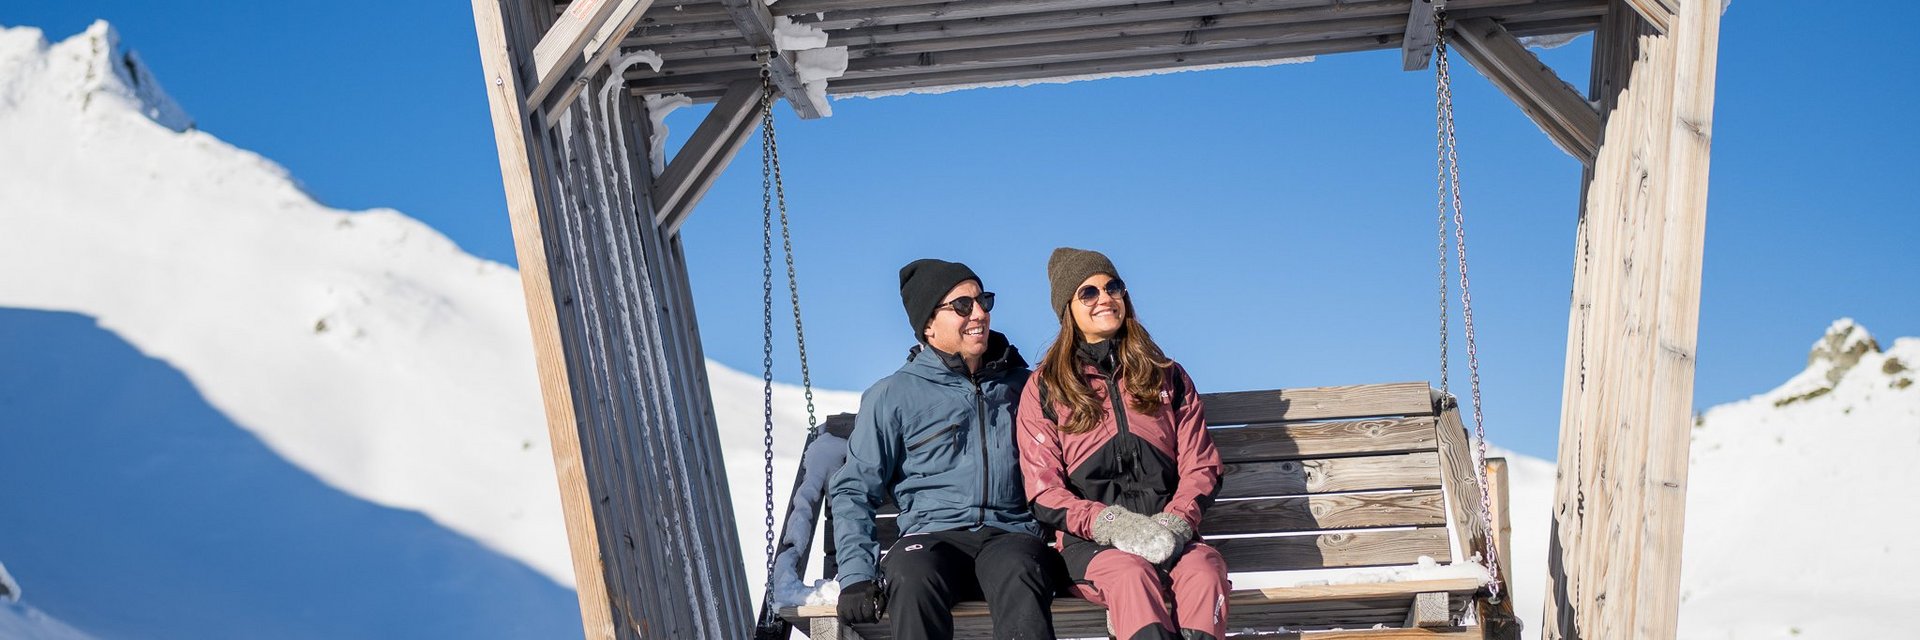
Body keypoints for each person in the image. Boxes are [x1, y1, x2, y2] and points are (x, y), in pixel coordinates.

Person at [829, 258, 1060, 640]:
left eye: (983, 300)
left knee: (1022, 570)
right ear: (929, 326)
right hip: (932, 539)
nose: (980, 313)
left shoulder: (1027, 387)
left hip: (1010, 535)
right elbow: (854, 488)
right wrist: (855, 577)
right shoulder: (894, 395)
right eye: (963, 305)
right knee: (911, 575)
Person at [1016, 247, 1230, 640]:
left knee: (1205, 570)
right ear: (1068, 308)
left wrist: (1177, 523)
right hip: (1091, 548)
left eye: (1113, 286)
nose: (1105, 298)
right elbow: (1044, 492)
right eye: (1088, 292)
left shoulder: (1167, 376)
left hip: (1170, 534)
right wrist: (1113, 525)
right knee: (1132, 576)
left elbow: (1202, 466)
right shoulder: (1046, 387)